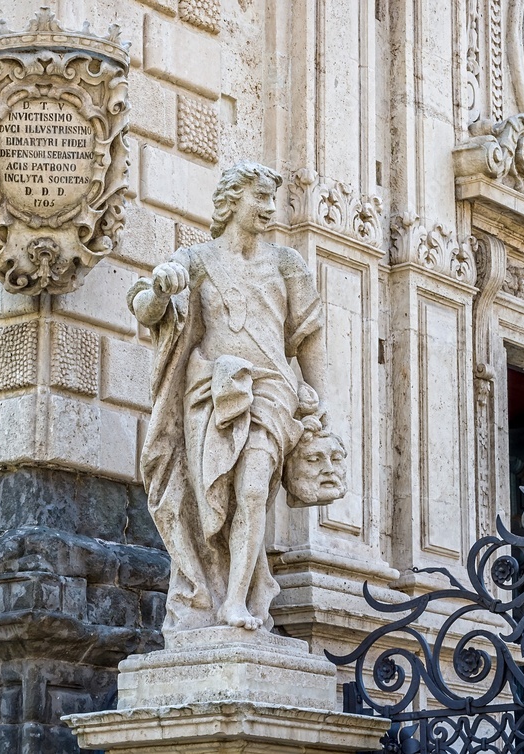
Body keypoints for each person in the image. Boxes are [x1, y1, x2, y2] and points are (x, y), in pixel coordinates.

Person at [128, 161, 339, 635]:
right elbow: (145, 308)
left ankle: (238, 603)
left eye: (271, 200)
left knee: (252, 489)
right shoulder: (197, 260)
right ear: (231, 202)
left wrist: (318, 400)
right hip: (211, 391)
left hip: (272, 392)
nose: (268, 209)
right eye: (259, 198)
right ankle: (213, 589)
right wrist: (162, 288)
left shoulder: (287, 265)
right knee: (212, 499)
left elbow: (308, 338)